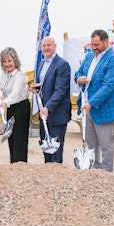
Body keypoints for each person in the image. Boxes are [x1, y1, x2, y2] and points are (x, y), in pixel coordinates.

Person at [75, 29, 114, 172]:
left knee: (106, 145)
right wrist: (79, 79)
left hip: (104, 109)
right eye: (92, 44)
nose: (94, 47)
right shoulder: (89, 57)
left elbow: (109, 86)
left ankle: (107, 174)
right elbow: (78, 73)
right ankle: (93, 171)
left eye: (97, 44)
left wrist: (91, 103)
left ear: (106, 41)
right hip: (87, 107)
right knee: (91, 143)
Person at [31, 36, 71, 164]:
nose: (46, 48)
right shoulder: (42, 63)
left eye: (49, 45)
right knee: (46, 147)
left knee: (56, 150)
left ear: (55, 46)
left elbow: (60, 90)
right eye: (44, 46)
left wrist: (48, 107)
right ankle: (47, 177)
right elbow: (44, 85)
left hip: (57, 114)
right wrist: (36, 88)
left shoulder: (62, 65)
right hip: (44, 114)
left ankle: (56, 180)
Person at [0, 47, 30, 163]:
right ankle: (13, 164)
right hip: (9, 108)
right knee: (11, 138)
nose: (7, 64)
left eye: (9, 61)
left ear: (15, 61)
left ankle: (20, 166)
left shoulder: (20, 76)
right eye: (4, 61)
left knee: (20, 139)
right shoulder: (4, 75)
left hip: (21, 108)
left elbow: (16, 92)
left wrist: (5, 102)